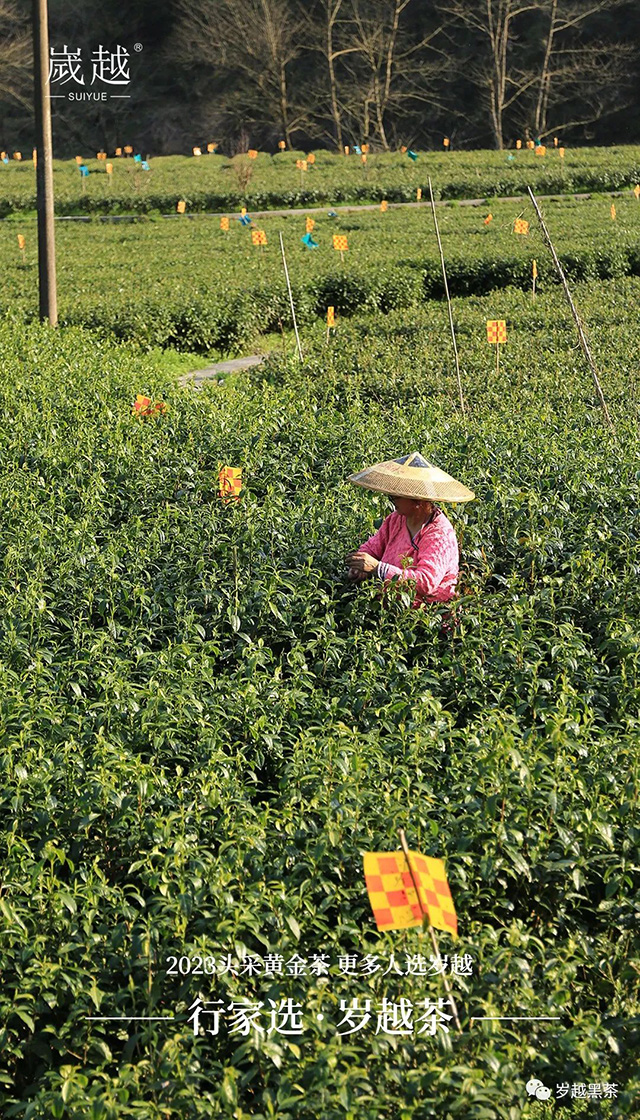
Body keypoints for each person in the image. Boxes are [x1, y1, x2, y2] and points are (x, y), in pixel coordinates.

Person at [345, 451, 475, 607]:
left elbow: (425, 582)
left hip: (427, 617)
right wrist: (360, 566)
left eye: (397, 495)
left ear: (417, 501)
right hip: (388, 606)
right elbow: (374, 546)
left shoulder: (439, 533)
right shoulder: (397, 519)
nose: (392, 498)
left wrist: (378, 568)